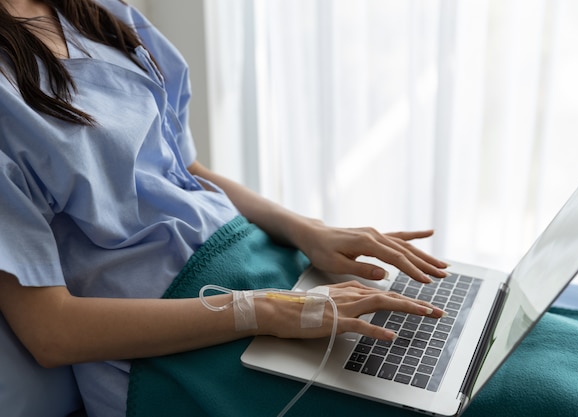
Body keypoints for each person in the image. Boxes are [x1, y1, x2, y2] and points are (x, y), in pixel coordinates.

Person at [0, 1, 449, 416]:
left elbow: (186, 169)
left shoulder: (98, 13)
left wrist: (307, 230)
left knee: (462, 350)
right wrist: (268, 310)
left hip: (261, 267)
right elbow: (51, 333)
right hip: (174, 348)